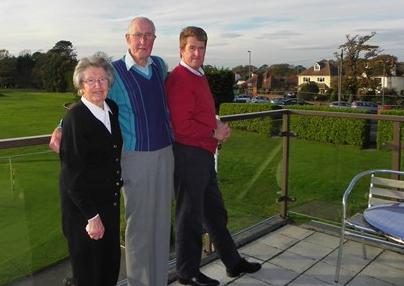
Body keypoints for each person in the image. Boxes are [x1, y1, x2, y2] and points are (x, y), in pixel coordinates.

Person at [51, 17, 174, 286]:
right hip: (136, 156)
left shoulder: (160, 66)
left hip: (165, 152)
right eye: (138, 35)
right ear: (127, 38)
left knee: (162, 224)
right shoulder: (114, 72)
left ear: (155, 39)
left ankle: (159, 281)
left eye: (149, 35)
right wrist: (62, 126)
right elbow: (90, 99)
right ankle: (140, 282)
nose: (144, 40)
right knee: (140, 228)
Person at [165, 26, 262, 286]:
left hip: (203, 154)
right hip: (188, 156)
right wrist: (213, 132)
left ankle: (232, 262)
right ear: (181, 50)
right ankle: (187, 273)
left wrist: (216, 126)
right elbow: (180, 125)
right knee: (190, 216)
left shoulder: (198, 74)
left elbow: (199, 113)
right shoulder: (179, 79)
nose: (197, 53)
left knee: (215, 213)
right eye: (192, 48)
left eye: (201, 48)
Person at [59, 56, 123, 286]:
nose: (97, 85)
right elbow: (71, 175)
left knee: (109, 268)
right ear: (80, 86)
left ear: (109, 83)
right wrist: (92, 217)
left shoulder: (111, 109)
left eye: (102, 79)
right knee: (89, 276)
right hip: (84, 213)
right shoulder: (75, 120)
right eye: (91, 80)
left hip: (109, 206)